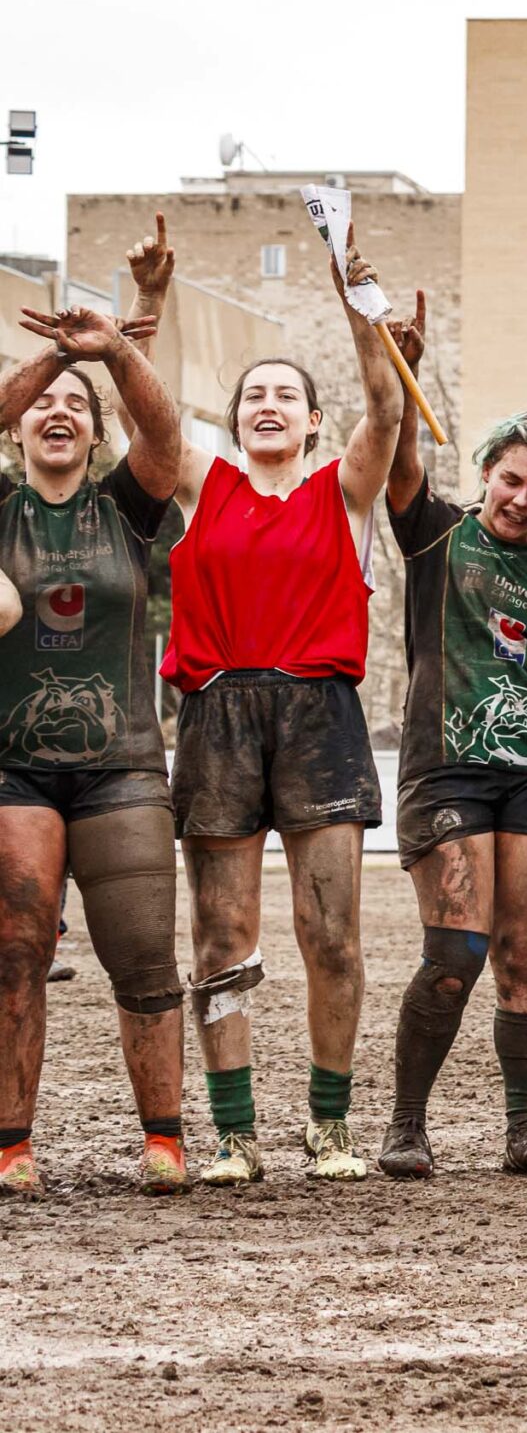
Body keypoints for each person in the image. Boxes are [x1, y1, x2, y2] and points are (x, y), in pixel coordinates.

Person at [160, 228, 406, 1185]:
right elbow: (147, 417)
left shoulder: (344, 492)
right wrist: (146, 318)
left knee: (331, 932)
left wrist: (358, 302)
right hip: (218, 713)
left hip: (319, 714)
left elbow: (384, 404)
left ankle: (330, 1126)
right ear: (233, 420)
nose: (269, 405)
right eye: (253, 395)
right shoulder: (202, 483)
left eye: (286, 397)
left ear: (312, 422)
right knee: (221, 935)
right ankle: (233, 1135)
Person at [372, 294, 527, 1179]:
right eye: (512, 480)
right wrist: (400, 372)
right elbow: (397, 458)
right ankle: (406, 1125)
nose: (523, 500)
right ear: (488, 469)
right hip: (446, 769)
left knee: (524, 952)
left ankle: (524, 1128)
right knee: (456, 948)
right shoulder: (436, 534)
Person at [0, 227, 180, 1197]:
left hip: (121, 764)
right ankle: (11, 1149)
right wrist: (57, 356)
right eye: (45, 407)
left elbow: (167, 438)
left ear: (96, 434)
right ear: (22, 425)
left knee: (146, 951)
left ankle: (164, 1140)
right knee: (15, 947)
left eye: (79, 408)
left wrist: (113, 352)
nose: (60, 413)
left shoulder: (128, 506)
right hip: (9, 765)